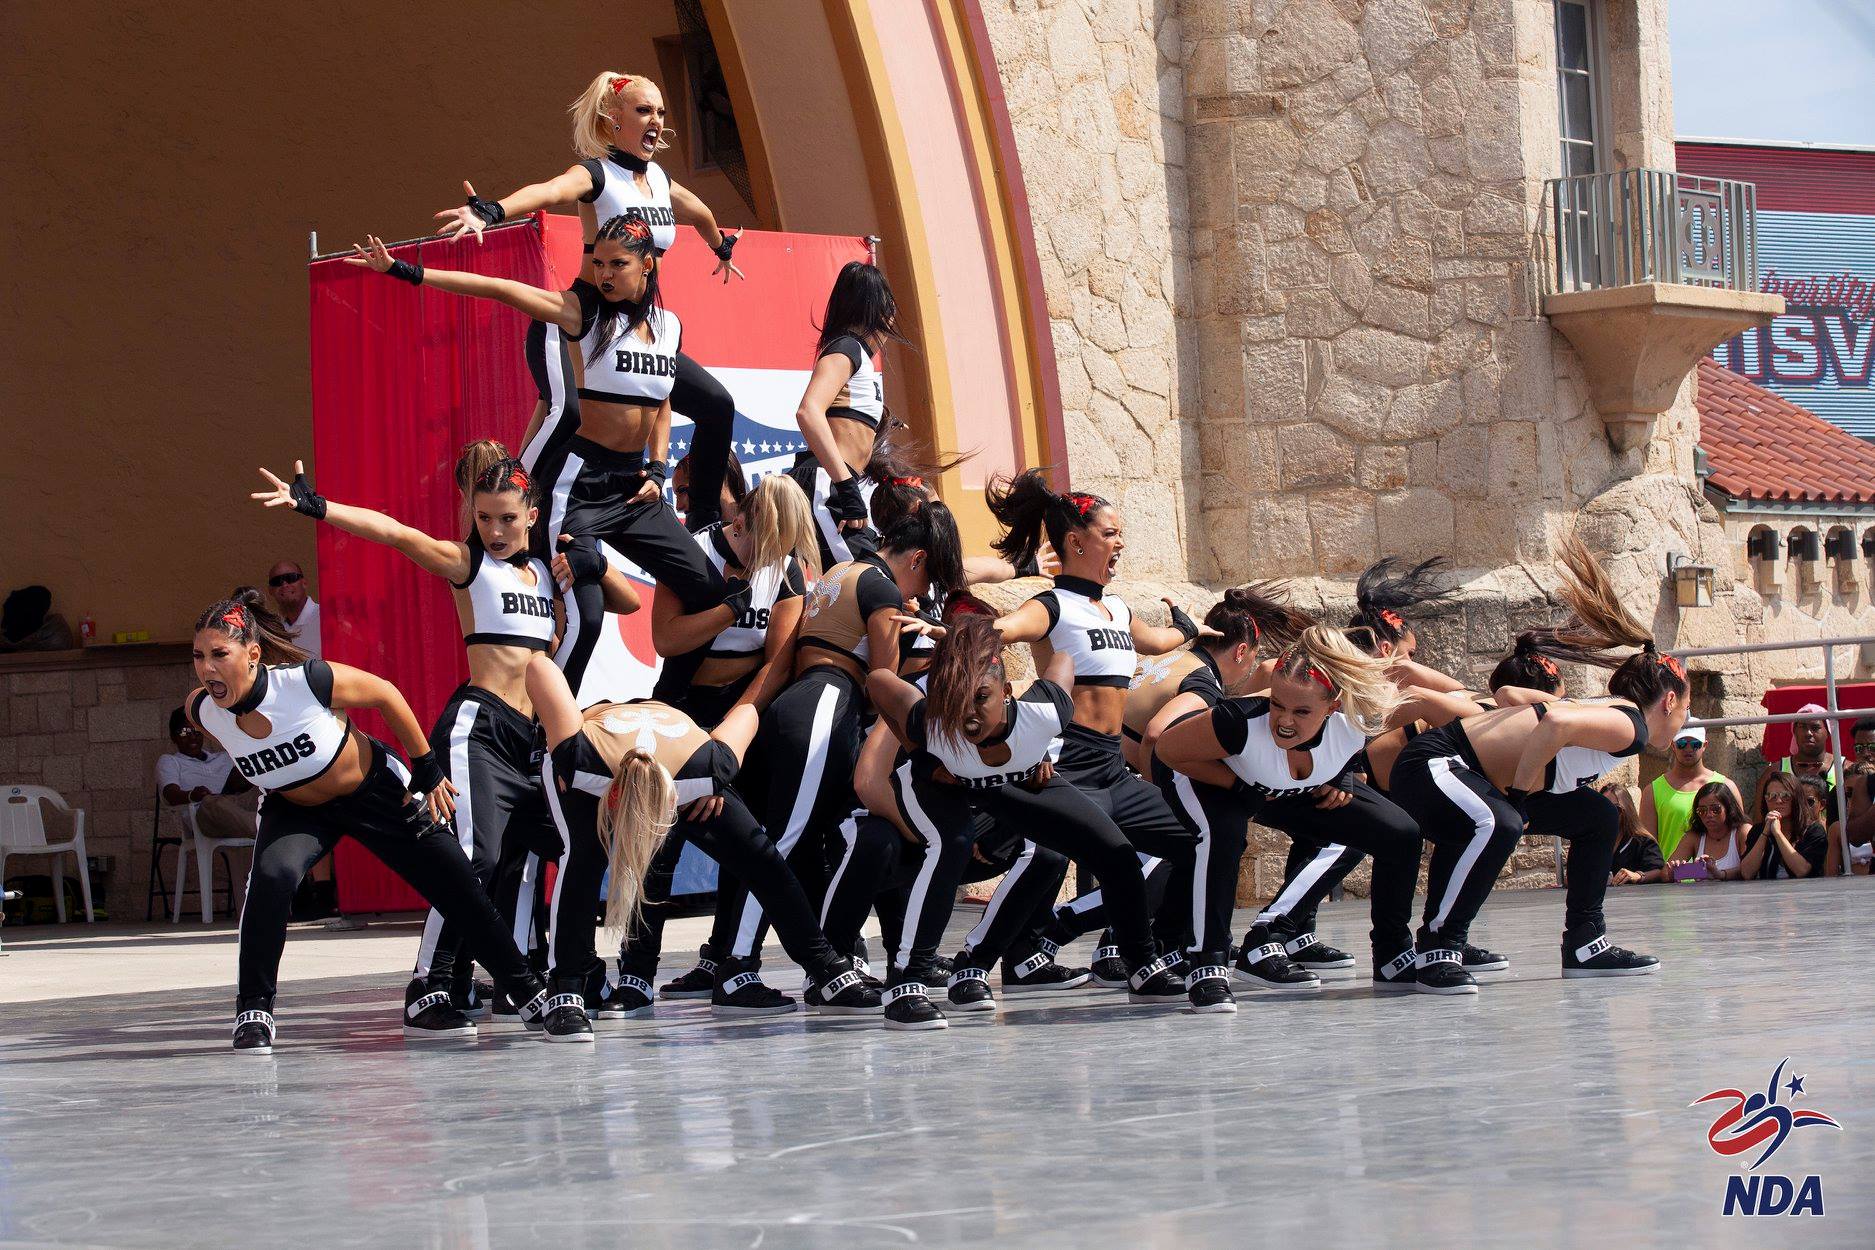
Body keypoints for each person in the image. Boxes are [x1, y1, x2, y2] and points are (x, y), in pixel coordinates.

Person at [251, 443, 636, 1029]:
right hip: (477, 728)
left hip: (530, 738)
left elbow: (627, 599)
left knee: (542, 854)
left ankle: (526, 976)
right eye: (484, 518)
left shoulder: (544, 576)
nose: (496, 529)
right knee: (473, 859)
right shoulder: (471, 566)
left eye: (508, 517)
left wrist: (586, 561)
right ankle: (427, 983)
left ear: (532, 512)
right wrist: (320, 507)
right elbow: (397, 534)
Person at [345, 218, 724, 694]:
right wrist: (409, 271)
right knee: (585, 622)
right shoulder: (581, 313)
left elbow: (662, 403)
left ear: (647, 265)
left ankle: (671, 702)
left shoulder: (670, 327)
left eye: (618, 264)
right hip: (576, 484)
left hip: (633, 487)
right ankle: (547, 737)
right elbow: (499, 289)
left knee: (709, 589)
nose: (604, 274)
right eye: (598, 263)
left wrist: (656, 465)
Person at [185, 590, 551, 1054]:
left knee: (458, 883)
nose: (207, 667)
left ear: (253, 654)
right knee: (270, 881)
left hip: (373, 792)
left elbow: (385, 693)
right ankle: (253, 1010)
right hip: (295, 808)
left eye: (220, 654)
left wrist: (427, 767)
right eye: (199, 656)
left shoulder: (304, 682)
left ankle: (526, 990)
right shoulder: (204, 710)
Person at [434, 70, 744, 531]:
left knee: (717, 404)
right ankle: (517, 516)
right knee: (564, 415)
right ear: (612, 119)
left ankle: (701, 518)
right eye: (644, 111)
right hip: (586, 317)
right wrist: (490, 210)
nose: (656, 119)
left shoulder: (658, 179)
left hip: (638, 328)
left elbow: (698, 211)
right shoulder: (597, 173)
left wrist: (720, 246)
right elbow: (550, 191)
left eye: (660, 112)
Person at [849, 617, 1183, 1024]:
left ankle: (1140, 963)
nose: (968, 715)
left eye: (981, 698)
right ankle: (907, 981)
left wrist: (1039, 750)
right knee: (950, 845)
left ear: (1007, 693)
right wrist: (921, 754)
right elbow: (880, 680)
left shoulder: (1044, 713)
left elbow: (1062, 658)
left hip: (1012, 781)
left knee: (1116, 854)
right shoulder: (934, 724)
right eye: (958, 702)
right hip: (945, 785)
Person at [1387, 537, 1685, 992]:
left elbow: (1510, 696)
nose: (1683, 724)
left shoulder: (1605, 710)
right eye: (1685, 710)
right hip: (1437, 763)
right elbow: (1555, 726)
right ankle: (1439, 946)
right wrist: (1523, 796)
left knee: (1600, 817)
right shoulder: (1630, 728)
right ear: (1668, 701)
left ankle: (1586, 942)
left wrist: (1542, 714)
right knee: (1500, 821)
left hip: (1473, 775)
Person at [529, 654, 879, 1040]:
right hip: (600, 754)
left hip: (686, 761)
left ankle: (824, 964)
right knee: (580, 857)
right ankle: (568, 985)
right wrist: (553, 736)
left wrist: (716, 780)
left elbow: (747, 712)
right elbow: (539, 667)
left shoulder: (707, 767)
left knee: (763, 859)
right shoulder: (578, 762)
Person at [706, 503, 968, 1011]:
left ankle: (830, 963)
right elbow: (883, 684)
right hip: (828, 703)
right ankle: (735, 969)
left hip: (799, 704)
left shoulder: (839, 571)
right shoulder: (884, 588)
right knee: (779, 843)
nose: (917, 596)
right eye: (925, 580)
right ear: (916, 559)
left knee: (809, 840)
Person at [966, 470, 1204, 989]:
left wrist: (1190, 629)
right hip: (1065, 763)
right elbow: (1001, 632)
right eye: (1110, 534)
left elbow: (1156, 641)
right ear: (1076, 541)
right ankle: (972, 962)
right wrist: (954, 630)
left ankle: (1150, 958)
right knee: (1049, 855)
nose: (1120, 544)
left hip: (1113, 770)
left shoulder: (1116, 608)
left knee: (1195, 840)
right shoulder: (1050, 607)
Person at [591, 473, 818, 1012]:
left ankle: (734, 967)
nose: (774, 558)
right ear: (741, 521)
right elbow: (666, 638)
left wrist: (729, 740)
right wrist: (728, 609)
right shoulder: (695, 551)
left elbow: (778, 664)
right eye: (766, 543)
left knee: (750, 839)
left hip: (739, 711)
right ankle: (635, 974)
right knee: (657, 839)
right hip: (682, 705)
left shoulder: (785, 568)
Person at [1159, 628, 1423, 1007]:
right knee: (1225, 834)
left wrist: (1342, 774)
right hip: (1208, 775)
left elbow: (1428, 703)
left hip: (1277, 786)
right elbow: (1167, 748)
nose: (1283, 720)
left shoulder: (1358, 718)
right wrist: (1237, 789)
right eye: (1278, 705)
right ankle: (1208, 962)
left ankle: (1392, 953)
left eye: (1301, 712)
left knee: (1399, 832)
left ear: (1333, 707)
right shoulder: (1239, 721)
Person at [789, 261, 897, 567]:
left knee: (867, 582)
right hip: (828, 484)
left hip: (835, 484)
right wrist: (846, 487)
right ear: (877, 310)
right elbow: (809, 412)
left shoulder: (858, 356)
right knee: (872, 578)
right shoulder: (846, 348)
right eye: (889, 310)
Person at [157, 707, 259, 842]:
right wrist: (192, 795)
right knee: (211, 802)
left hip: (234, 806)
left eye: (197, 731)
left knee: (262, 789)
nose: (192, 736)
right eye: (184, 732)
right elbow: (170, 794)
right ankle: (262, 829)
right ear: (173, 737)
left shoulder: (224, 758)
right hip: (204, 814)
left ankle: (284, 825)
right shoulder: (170, 761)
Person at [1640, 725, 1738, 860]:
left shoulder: (1727, 787)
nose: (1688, 749)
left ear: (1705, 745)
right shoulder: (1652, 791)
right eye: (1681, 744)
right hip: (1671, 877)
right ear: (1673, 746)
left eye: (1695, 744)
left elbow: (1737, 836)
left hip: (1715, 877)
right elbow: (1648, 847)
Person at [1740, 771, 1829, 880]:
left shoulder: (1813, 830)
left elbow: (1801, 871)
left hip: (1804, 894)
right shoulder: (1758, 831)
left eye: (1786, 796)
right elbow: (1746, 873)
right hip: (1767, 894)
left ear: (1796, 798)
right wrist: (1764, 833)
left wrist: (1778, 834)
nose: (1778, 801)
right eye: (1772, 796)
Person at [1673, 780, 1749, 881]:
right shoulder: (1694, 837)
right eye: (1702, 811)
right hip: (1703, 896)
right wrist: (1694, 870)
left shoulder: (1742, 832)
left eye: (1715, 809)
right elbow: (1666, 873)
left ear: (1728, 808)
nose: (1709, 815)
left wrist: (1720, 874)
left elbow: (1750, 870)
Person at [1597, 783, 1669, 885]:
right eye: (1603, 809)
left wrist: (1637, 876)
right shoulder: (1591, 841)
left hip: (1632, 898)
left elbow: (1659, 871)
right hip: (1596, 898)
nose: (1609, 815)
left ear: (1627, 810)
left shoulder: (1643, 841)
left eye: (1616, 810)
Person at [1772, 704, 1839, 792]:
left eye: (1815, 728)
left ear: (1828, 732)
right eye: (1802, 727)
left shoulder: (1843, 769)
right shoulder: (1775, 771)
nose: (1808, 733)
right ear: (1794, 731)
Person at [266, 561, 321, 660]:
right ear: (270, 591)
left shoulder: (325, 617)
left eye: (290, 578)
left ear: (304, 583)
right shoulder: (274, 630)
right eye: (277, 581)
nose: (284, 585)